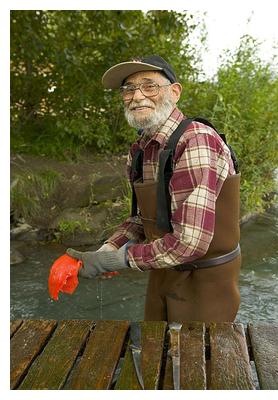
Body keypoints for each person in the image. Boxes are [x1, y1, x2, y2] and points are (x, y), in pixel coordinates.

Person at [67, 55, 241, 322]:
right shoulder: (139, 149)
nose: (137, 96)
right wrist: (107, 250)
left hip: (206, 281)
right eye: (128, 89)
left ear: (175, 92)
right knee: (155, 354)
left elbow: (188, 244)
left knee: (201, 360)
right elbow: (142, 219)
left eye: (149, 86)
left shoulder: (196, 141)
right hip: (162, 270)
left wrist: (118, 260)